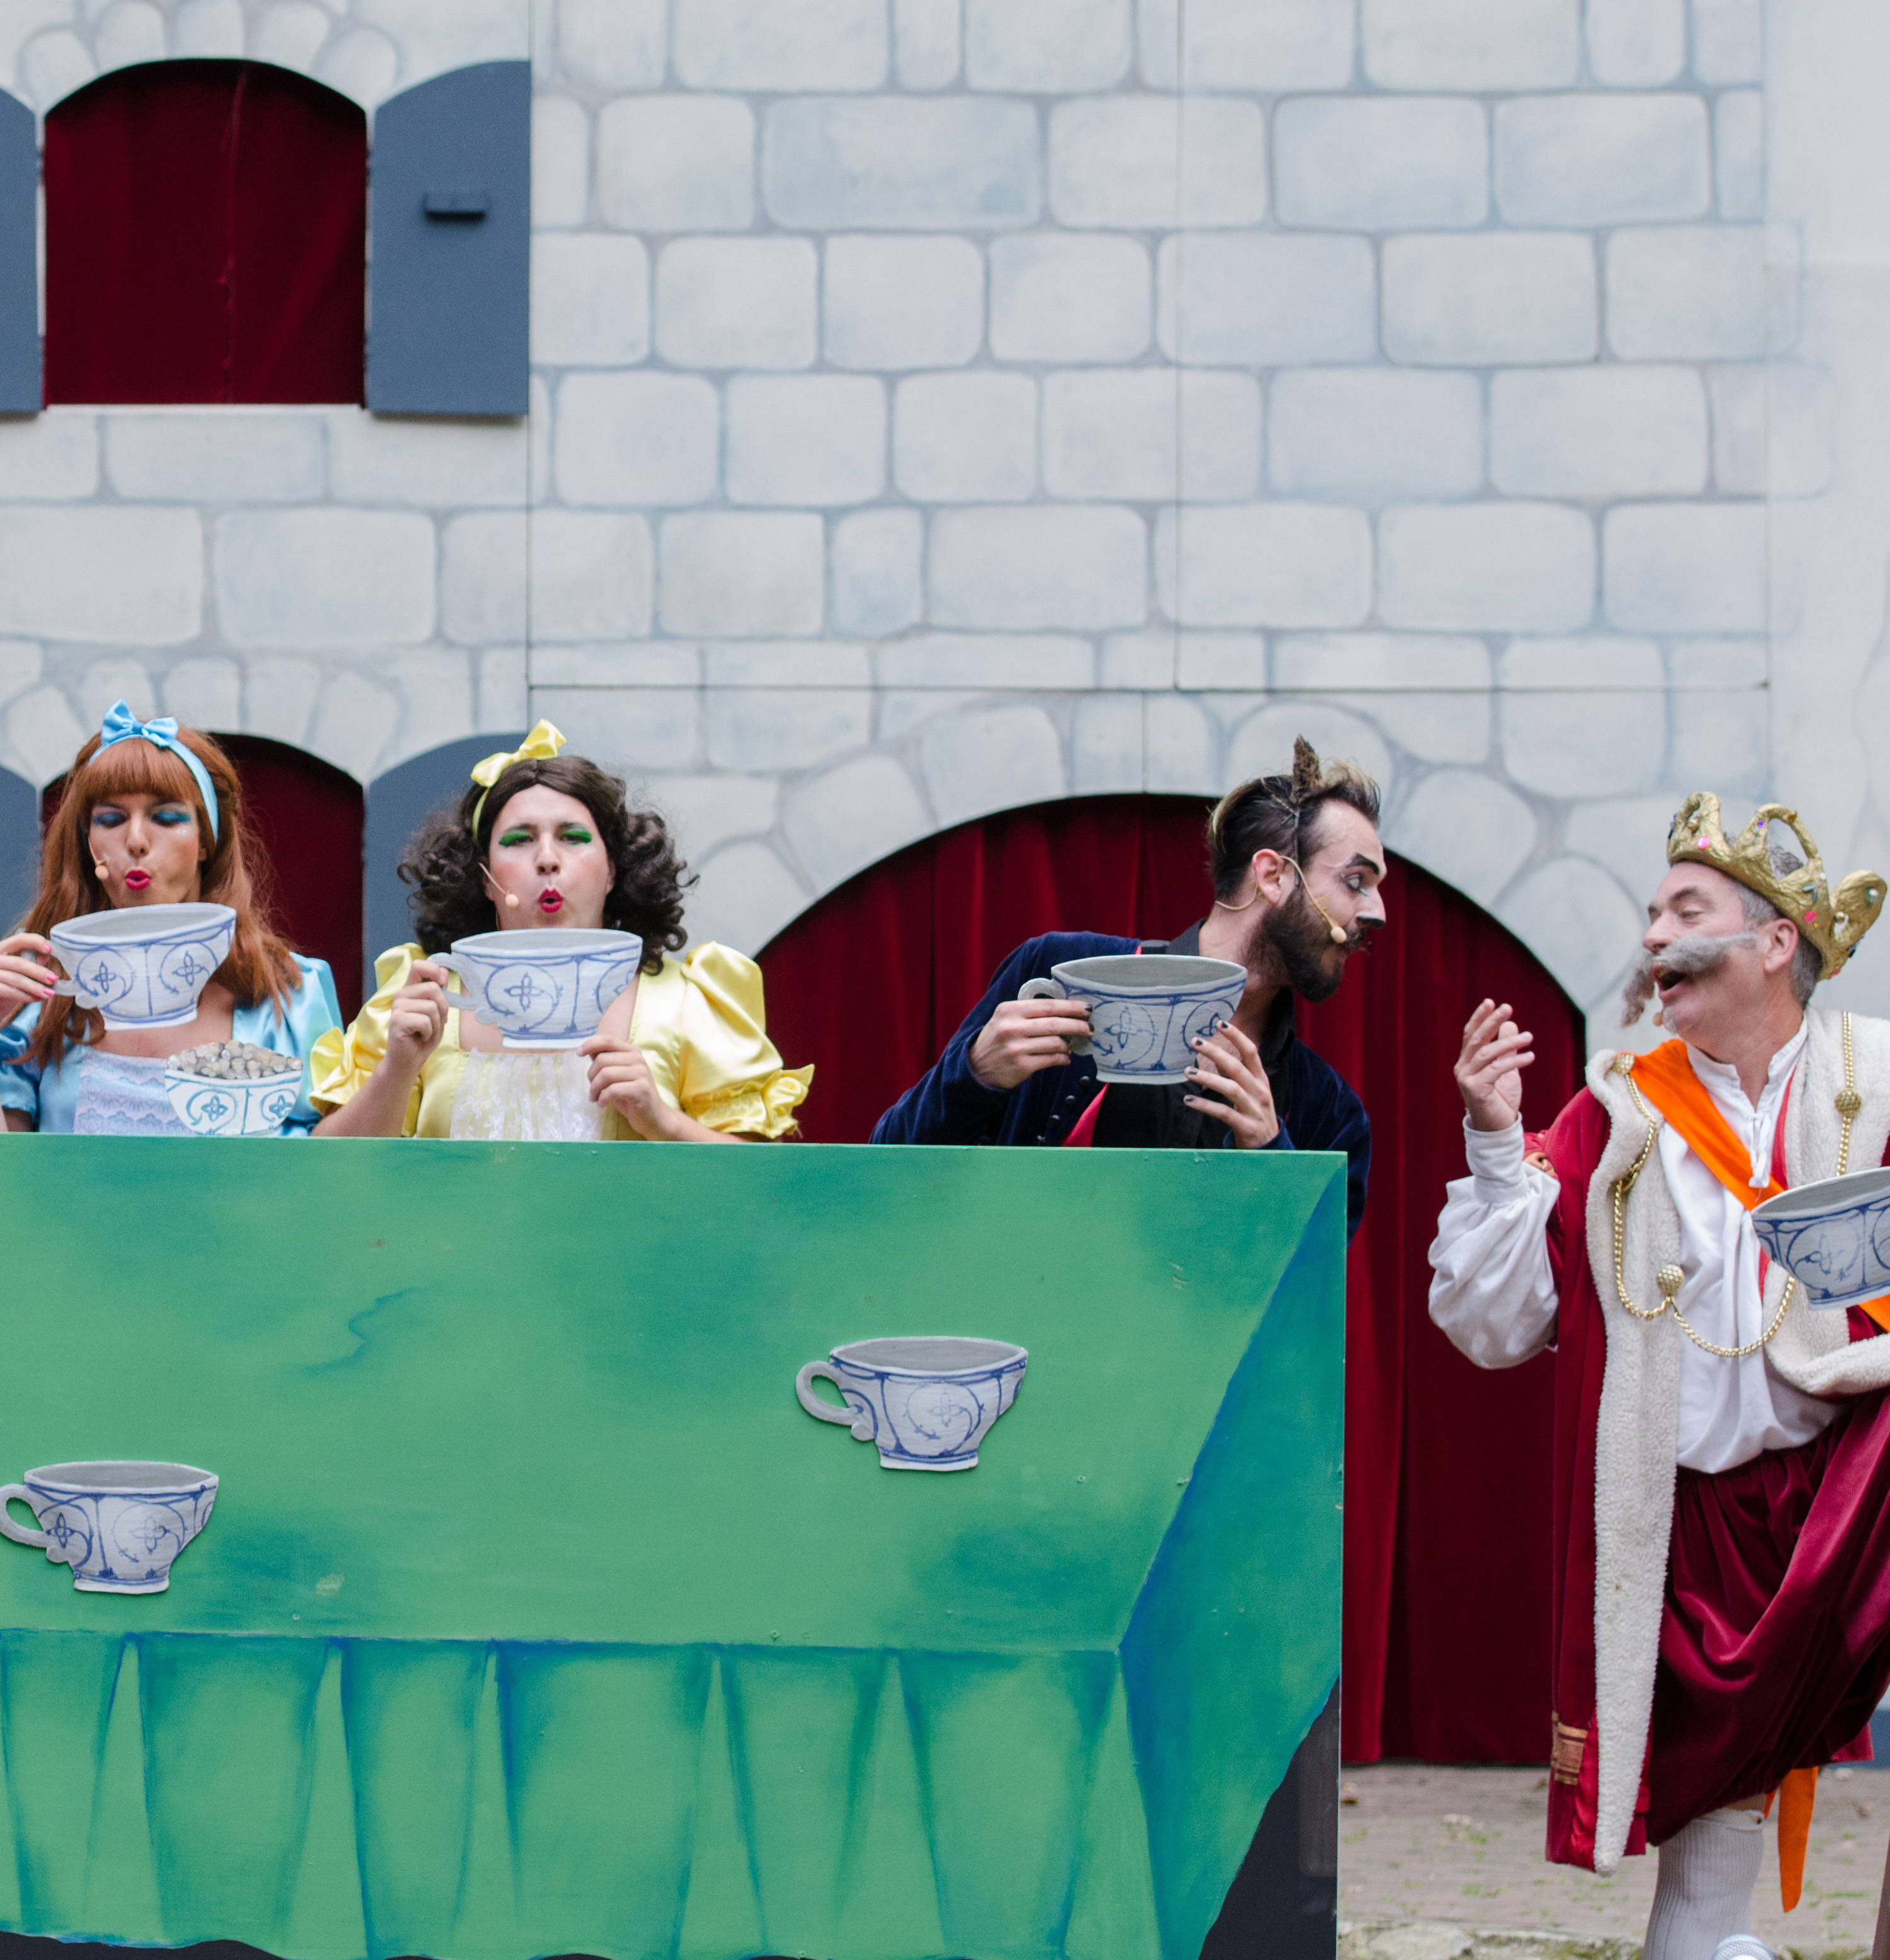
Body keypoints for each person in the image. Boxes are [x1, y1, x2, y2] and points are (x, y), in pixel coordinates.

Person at [1428, 793, 1890, 1959]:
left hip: (1854, 1496)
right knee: (1697, 1892)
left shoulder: (1876, 1079)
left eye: (1684, 911)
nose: (1651, 938)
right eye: (1649, 913)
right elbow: (1492, 1325)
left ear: (1774, 940)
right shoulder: (1618, 1116)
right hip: (1698, 1539)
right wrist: (1494, 1141)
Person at [868, 736, 1383, 1229]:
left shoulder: (1333, 1115)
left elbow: (1308, 1282)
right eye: (1356, 881)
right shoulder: (1056, 971)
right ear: (1272, 875)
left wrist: (1274, 1161)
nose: (1377, 912)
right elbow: (882, 1171)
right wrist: (974, 1073)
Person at [308, 722, 810, 1142]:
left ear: (612, 870)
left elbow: (763, 1186)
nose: (547, 859)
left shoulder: (685, 1001)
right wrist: (395, 1070)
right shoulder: (423, 1002)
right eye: (519, 840)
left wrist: (664, 1122)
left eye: (572, 837)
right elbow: (327, 1175)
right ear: (483, 878)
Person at [0, 704, 341, 1134]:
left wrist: (392, 1063)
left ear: (206, 841)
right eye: (111, 819)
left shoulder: (284, 991)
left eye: (167, 818)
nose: (136, 840)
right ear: (88, 843)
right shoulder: (40, 987)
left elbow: (330, 1161)